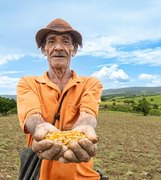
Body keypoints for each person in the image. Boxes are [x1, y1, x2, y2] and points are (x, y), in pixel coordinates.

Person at [17, 18, 103, 180]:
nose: (58, 47)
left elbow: (88, 115)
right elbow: (31, 116)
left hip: (84, 177)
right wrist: (40, 128)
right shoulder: (28, 83)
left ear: (74, 49)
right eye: (51, 42)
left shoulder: (91, 84)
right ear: (44, 49)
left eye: (65, 42)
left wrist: (83, 131)